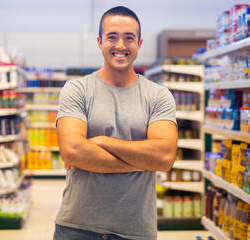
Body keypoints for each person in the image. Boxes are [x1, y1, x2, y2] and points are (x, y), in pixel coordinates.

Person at [53, 6, 178, 240]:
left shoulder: (158, 96)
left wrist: (101, 142)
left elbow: (163, 157)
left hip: (135, 231)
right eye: (112, 37)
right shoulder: (77, 89)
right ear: (100, 42)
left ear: (139, 44)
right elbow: (72, 151)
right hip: (76, 227)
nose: (120, 46)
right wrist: (141, 162)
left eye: (129, 38)